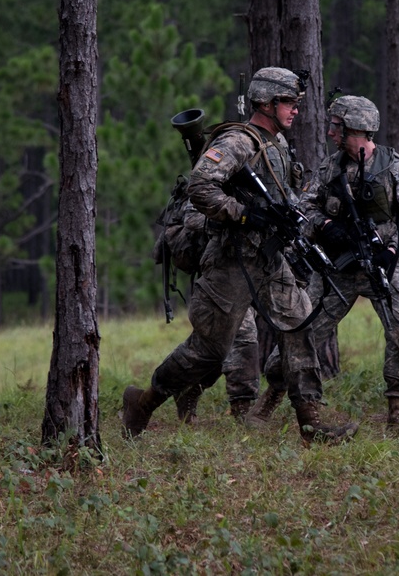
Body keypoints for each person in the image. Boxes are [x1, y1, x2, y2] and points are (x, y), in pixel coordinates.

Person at [122, 67, 359, 444]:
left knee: (298, 328)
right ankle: (143, 403)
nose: (296, 110)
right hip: (231, 262)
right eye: (289, 103)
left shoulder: (277, 143)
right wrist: (244, 213)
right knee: (208, 351)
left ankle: (312, 424)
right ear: (266, 102)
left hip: (269, 258)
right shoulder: (238, 141)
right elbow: (201, 186)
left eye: (297, 103)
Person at [301, 95, 399, 431]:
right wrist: (327, 227)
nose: (331, 133)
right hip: (337, 269)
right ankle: (276, 397)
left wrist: (390, 253)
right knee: (303, 335)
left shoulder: (394, 167)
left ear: (356, 129)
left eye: (336, 126)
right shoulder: (329, 168)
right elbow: (304, 210)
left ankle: (397, 415)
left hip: (382, 267)